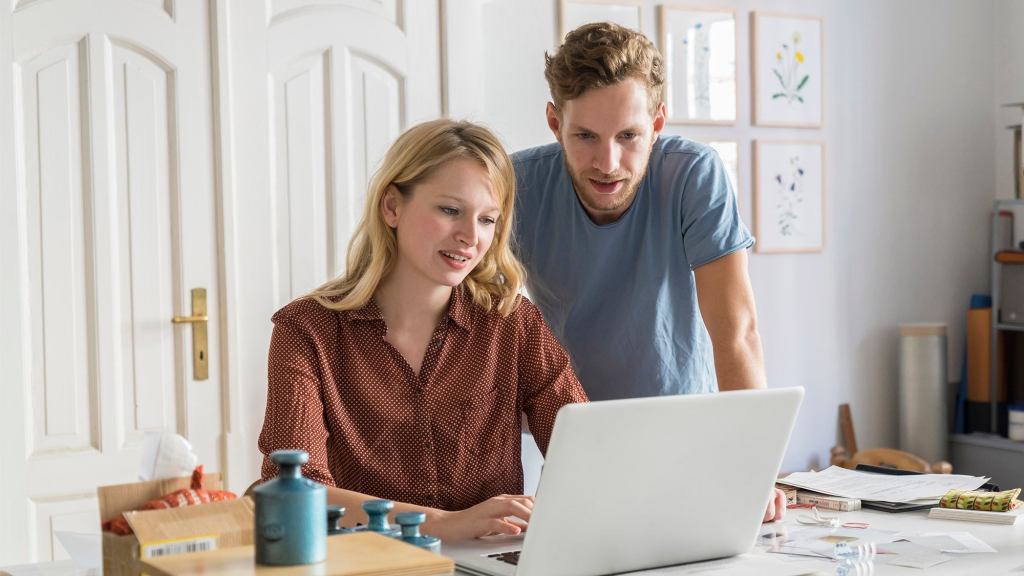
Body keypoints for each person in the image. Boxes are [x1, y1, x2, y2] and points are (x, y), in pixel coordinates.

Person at [258, 118, 588, 541]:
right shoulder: (306, 331)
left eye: (487, 219)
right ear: (392, 207)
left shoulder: (513, 323)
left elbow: (583, 450)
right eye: (450, 210)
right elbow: (292, 493)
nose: (471, 236)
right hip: (371, 566)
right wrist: (439, 526)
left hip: (491, 564)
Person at [512, 22, 784, 521]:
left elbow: (737, 331)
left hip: (688, 435)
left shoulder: (692, 175)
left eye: (629, 136)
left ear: (657, 123)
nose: (608, 162)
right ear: (555, 123)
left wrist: (753, 465)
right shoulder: (518, 185)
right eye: (585, 136)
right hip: (578, 444)